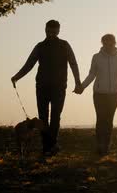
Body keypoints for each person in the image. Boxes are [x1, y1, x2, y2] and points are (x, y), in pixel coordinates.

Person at [11, 20, 81, 156]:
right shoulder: (40, 46)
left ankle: (51, 145)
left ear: (59, 31)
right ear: (45, 30)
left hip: (59, 87)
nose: (51, 34)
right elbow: (29, 64)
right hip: (42, 86)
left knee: (55, 117)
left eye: (54, 32)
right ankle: (47, 146)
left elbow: (73, 63)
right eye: (49, 31)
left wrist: (78, 82)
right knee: (43, 118)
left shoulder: (64, 45)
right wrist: (17, 77)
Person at [74, 33, 117, 156]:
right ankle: (99, 145)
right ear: (102, 43)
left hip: (114, 94)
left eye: (111, 42)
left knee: (109, 121)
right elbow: (92, 74)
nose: (108, 44)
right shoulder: (96, 57)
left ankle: (106, 146)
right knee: (101, 119)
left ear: (114, 43)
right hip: (99, 94)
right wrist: (82, 86)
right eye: (105, 42)